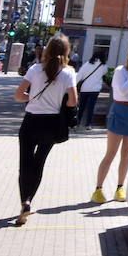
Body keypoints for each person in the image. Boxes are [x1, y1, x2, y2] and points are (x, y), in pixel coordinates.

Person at [12, 33, 79, 226]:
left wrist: (32, 98)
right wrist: (59, 102)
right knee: (39, 162)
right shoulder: (68, 73)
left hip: (30, 121)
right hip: (51, 122)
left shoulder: (34, 69)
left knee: (25, 163)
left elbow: (18, 95)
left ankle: (24, 201)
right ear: (67, 51)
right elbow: (73, 101)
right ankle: (29, 200)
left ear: (47, 50)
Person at [93, 46, 128, 203]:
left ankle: (119, 187)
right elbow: (121, 92)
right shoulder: (120, 71)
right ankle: (98, 189)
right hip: (120, 109)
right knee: (111, 153)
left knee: (126, 154)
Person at [75, 52, 107, 129]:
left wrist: (74, 84)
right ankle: (88, 124)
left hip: (84, 89)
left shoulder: (87, 64)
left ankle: (77, 123)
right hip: (95, 89)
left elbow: (79, 75)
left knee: (81, 106)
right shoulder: (104, 66)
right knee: (91, 107)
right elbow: (104, 74)